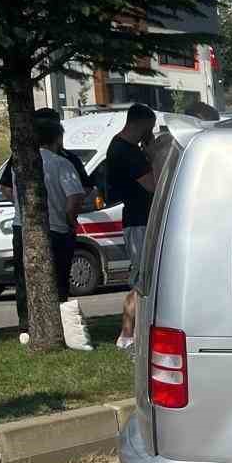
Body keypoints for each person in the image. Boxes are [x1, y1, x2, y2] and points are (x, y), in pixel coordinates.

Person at [10, 114, 91, 345]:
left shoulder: (21, 164)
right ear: (57, 139)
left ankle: (27, 326)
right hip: (56, 229)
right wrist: (70, 219)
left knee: (25, 280)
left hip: (22, 228)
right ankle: (59, 325)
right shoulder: (61, 163)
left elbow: (9, 191)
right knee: (58, 282)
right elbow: (74, 197)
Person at [101, 103, 158, 350]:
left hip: (138, 219)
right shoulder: (127, 152)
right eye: (150, 127)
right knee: (141, 278)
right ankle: (126, 334)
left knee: (142, 277)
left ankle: (130, 332)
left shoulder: (121, 147)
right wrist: (153, 153)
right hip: (139, 221)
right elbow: (153, 186)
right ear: (142, 123)